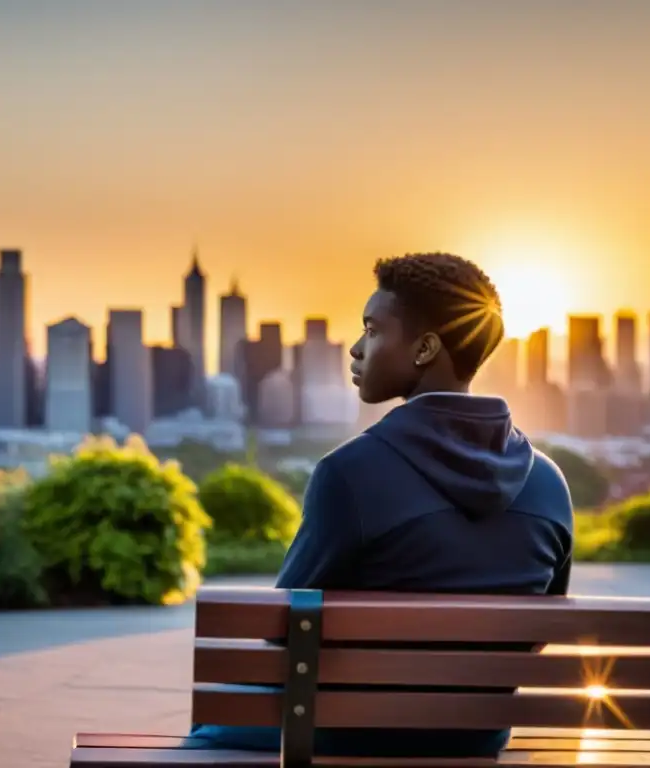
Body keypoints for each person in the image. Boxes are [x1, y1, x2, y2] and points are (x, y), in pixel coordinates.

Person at [187, 252, 574, 757]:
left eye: (372, 329)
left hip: (346, 725)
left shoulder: (349, 474)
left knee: (218, 717)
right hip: (476, 733)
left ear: (425, 348)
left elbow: (285, 635)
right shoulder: (548, 482)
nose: (355, 348)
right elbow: (540, 631)